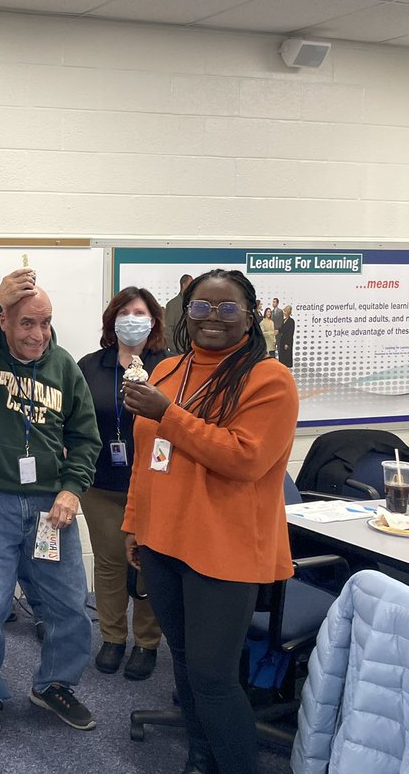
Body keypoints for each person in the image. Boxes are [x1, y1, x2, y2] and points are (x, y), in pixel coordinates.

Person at [122, 269, 298, 774]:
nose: (213, 318)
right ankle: (201, 759)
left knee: (213, 676)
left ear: (250, 314)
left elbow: (244, 458)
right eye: (201, 307)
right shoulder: (167, 369)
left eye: (227, 308)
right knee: (182, 661)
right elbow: (146, 456)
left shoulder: (270, 379)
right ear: (186, 311)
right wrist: (135, 524)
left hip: (225, 548)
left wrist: (168, 413)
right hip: (163, 542)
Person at [0, 270, 101, 736]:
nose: (38, 334)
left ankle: (54, 685)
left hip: (51, 505)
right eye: (26, 323)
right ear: (4, 321)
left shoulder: (64, 365)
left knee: (69, 603)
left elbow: (85, 437)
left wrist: (71, 489)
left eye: (45, 323)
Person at [75, 287, 166, 681]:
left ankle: (147, 643)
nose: (132, 318)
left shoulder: (171, 366)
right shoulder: (90, 365)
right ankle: (113, 637)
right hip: (101, 483)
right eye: (124, 312)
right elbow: (73, 420)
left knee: (149, 564)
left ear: (154, 321)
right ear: (112, 320)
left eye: (140, 312)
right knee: (110, 563)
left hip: (154, 486)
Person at [163, 274, 192, 354]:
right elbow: (168, 330)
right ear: (184, 284)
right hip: (177, 352)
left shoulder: (192, 304)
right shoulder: (172, 304)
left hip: (190, 351)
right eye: (190, 283)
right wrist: (174, 348)